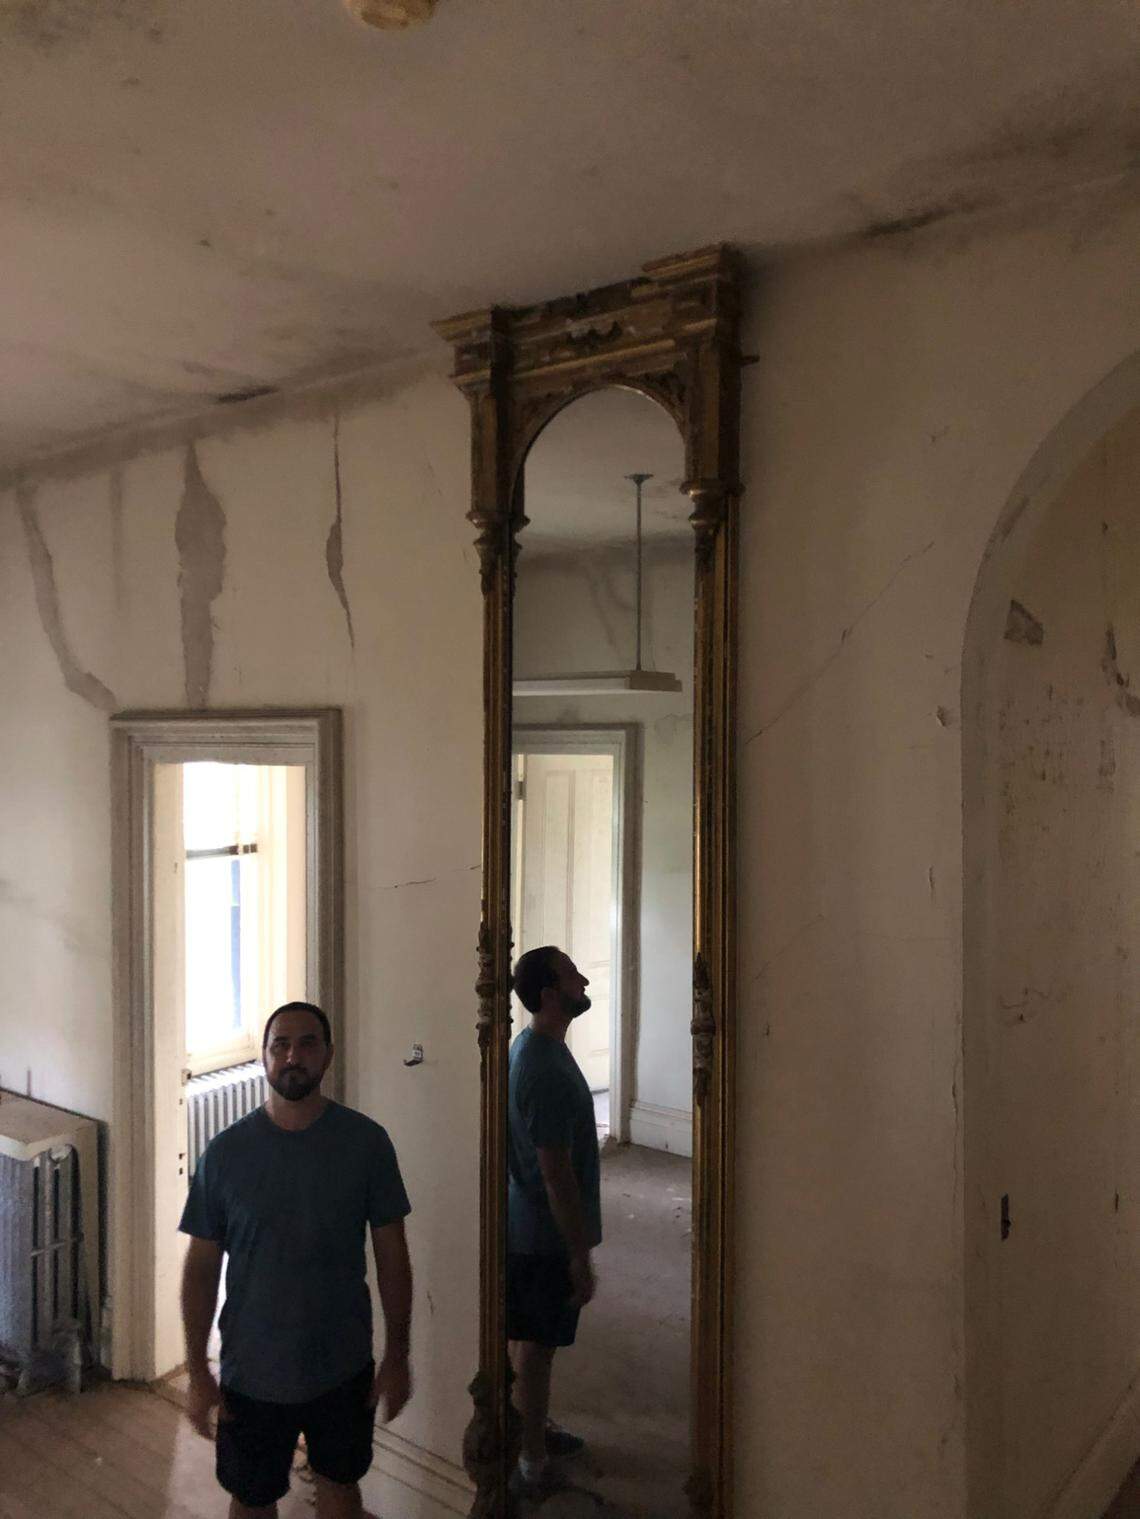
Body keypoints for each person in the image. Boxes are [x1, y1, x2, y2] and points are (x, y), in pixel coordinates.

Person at [179, 1000, 413, 1519]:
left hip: (342, 1364)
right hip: (252, 1371)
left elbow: (393, 1256)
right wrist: (197, 1369)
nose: (292, 1056)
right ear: (264, 1057)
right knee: (252, 1498)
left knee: (340, 1486)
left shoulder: (367, 1144)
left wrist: (398, 1354)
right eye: (280, 1045)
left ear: (327, 1055)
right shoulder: (225, 1155)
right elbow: (200, 1269)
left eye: (307, 1043)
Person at [507, 945, 602, 1503]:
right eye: (571, 975)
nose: (583, 980)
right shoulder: (542, 1068)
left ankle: (532, 1429)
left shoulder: (534, 1047)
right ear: (549, 994)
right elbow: (555, 1172)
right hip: (543, 1238)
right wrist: (578, 1252)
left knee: (530, 1342)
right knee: (538, 1348)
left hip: (530, 1230)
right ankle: (531, 1463)